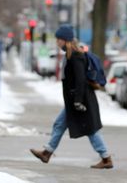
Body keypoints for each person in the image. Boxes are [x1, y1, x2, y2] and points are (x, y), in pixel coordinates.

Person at [29, 25, 113, 169]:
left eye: (58, 39)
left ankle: (106, 158)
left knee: (91, 130)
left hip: (80, 100)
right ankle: (47, 153)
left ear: (66, 40)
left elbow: (80, 79)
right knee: (60, 124)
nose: (57, 42)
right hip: (75, 100)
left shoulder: (76, 56)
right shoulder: (71, 55)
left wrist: (78, 101)